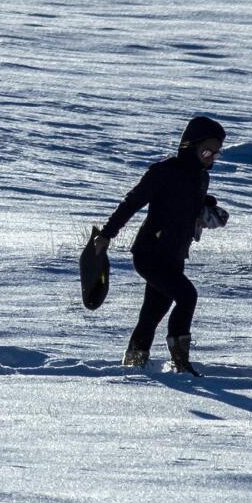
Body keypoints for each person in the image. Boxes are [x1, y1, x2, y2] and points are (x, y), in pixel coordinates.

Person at [93, 116, 229, 374]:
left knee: (153, 313)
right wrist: (107, 234)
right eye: (207, 150)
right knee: (187, 296)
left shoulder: (201, 178)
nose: (212, 157)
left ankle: (134, 362)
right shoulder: (163, 172)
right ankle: (181, 363)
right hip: (150, 254)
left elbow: (185, 203)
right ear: (190, 145)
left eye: (216, 153)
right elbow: (132, 202)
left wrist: (205, 210)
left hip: (174, 256)